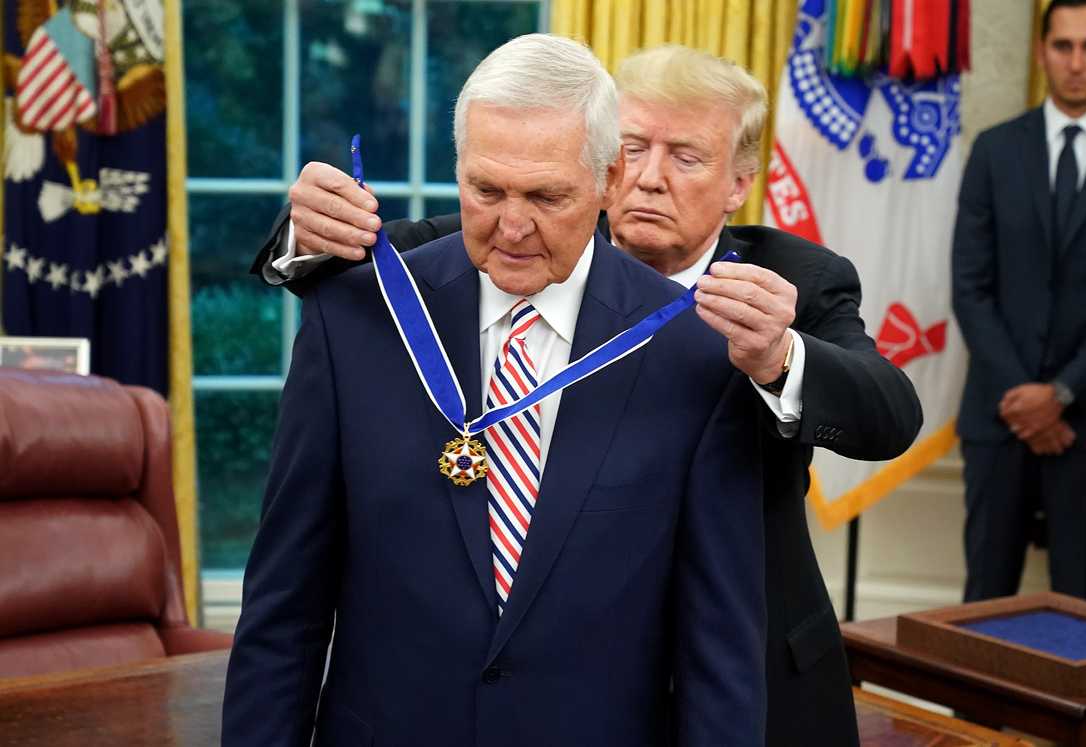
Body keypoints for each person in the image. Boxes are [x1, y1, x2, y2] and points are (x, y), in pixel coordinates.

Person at [250, 44, 924, 746]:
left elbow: (888, 413)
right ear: (610, 167)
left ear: (738, 184)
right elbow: (360, 270)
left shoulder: (786, 288)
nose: (650, 179)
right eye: (636, 147)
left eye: (686, 157)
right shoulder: (510, 229)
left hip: (741, 670)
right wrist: (303, 230)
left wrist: (779, 358)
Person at [953, 0, 1086, 603]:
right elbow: (970, 286)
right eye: (1063, 46)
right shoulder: (995, 150)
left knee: (1080, 611)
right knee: (983, 607)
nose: (1076, 62)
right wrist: (1026, 400)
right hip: (1000, 417)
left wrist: (1062, 395)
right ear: (1041, 51)